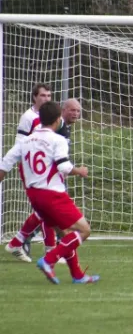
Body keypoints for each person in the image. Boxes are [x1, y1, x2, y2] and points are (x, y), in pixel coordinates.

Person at [0, 101, 98, 284]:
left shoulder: (26, 141)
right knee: (84, 230)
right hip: (52, 194)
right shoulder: (58, 139)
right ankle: (49, 259)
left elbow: (6, 163)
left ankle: (77, 275)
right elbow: (63, 166)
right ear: (58, 119)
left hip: (34, 196)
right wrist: (80, 171)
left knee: (65, 233)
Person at [4, 83, 53, 262]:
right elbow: (20, 144)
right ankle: (45, 248)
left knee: (45, 210)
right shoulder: (29, 117)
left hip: (46, 169)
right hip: (31, 169)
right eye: (43, 96)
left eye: (49, 96)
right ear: (34, 97)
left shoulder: (51, 116)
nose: (46, 99)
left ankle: (21, 241)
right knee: (45, 209)